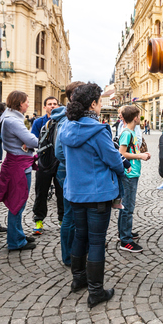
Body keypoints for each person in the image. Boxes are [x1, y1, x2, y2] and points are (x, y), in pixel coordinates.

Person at [59, 83, 124, 308]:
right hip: (97, 194)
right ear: (94, 104)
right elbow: (114, 160)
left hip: (75, 191)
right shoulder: (98, 130)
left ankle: (79, 280)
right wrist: (121, 166)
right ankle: (96, 291)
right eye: (99, 101)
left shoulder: (67, 127)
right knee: (96, 241)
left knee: (80, 236)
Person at [0, 91, 39, 251]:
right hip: (19, 166)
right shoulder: (13, 120)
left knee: (18, 202)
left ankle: (17, 235)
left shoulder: (9, 116)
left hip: (17, 163)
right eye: (26, 101)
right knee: (17, 203)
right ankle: (15, 241)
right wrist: (43, 141)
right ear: (20, 103)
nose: (28, 104)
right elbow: (31, 140)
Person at [54, 81, 84, 267]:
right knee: (70, 215)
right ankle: (69, 256)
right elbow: (59, 151)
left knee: (74, 214)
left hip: (70, 170)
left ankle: (77, 251)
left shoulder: (70, 117)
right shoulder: (67, 120)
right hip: (68, 170)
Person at [117, 105, 151, 253]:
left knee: (126, 205)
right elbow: (122, 153)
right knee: (128, 207)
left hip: (133, 173)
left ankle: (123, 233)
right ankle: (125, 240)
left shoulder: (131, 132)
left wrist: (143, 154)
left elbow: (132, 150)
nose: (140, 118)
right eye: (139, 116)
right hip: (128, 174)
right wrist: (140, 156)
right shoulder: (126, 133)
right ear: (135, 118)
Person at [30, 96, 64, 234]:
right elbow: (32, 139)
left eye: (55, 104)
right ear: (45, 107)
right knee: (41, 192)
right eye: (49, 104)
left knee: (61, 193)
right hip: (43, 162)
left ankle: (63, 220)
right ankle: (38, 221)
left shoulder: (63, 121)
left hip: (59, 162)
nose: (52, 106)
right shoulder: (39, 122)